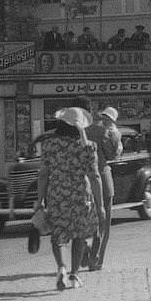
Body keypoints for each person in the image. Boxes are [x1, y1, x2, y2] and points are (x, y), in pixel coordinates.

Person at [36, 107, 105, 290]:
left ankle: (61, 267)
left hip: (57, 196)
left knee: (58, 235)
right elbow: (95, 176)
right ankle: (74, 274)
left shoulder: (50, 146)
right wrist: (101, 206)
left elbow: (43, 175)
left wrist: (39, 200)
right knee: (79, 236)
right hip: (81, 196)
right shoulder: (88, 147)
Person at [87, 106, 122, 270]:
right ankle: (96, 259)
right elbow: (113, 154)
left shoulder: (83, 131)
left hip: (83, 182)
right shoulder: (106, 133)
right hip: (102, 178)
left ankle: (85, 254)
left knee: (86, 220)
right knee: (103, 224)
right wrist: (116, 137)